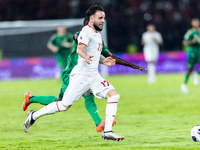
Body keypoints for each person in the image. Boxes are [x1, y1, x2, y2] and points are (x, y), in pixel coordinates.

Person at [23, 5, 146, 141]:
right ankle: (33, 115)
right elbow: (80, 49)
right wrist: (84, 55)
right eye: (100, 18)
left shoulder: (98, 36)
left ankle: (108, 131)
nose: (103, 21)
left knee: (113, 96)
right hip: (80, 76)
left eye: (104, 18)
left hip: (93, 76)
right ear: (91, 18)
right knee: (64, 105)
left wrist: (104, 62)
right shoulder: (86, 31)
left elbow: (94, 54)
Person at [181, 18, 200, 94]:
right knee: (190, 69)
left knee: (192, 70)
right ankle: (184, 84)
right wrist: (192, 41)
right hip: (192, 51)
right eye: (194, 22)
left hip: (199, 51)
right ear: (192, 24)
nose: (196, 23)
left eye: (197, 22)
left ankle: (196, 74)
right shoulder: (190, 32)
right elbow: (184, 42)